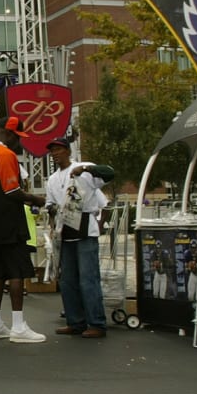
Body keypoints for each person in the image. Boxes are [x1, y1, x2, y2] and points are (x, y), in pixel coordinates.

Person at [0, 116, 46, 343]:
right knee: (16, 272)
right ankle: (18, 326)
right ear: (8, 132)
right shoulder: (5, 154)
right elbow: (11, 191)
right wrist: (36, 198)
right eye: (17, 137)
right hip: (7, 222)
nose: (19, 143)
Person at [45, 137, 115, 338]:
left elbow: (109, 173)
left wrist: (85, 170)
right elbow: (50, 203)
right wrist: (51, 214)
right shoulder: (52, 179)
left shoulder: (84, 169)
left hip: (85, 228)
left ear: (67, 151)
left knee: (88, 279)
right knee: (67, 280)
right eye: (52, 151)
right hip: (64, 229)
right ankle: (75, 321)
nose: (55, 154)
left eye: (58, 149)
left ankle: (96, 322)